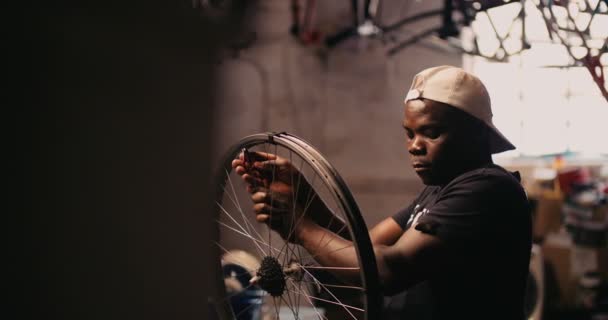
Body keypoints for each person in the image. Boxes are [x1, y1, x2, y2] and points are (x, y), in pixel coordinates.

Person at [232, 65, 532, 320]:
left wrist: (298, 225)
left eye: (432, 132)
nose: (415, 145)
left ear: (477, 134)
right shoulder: (438, 190)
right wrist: (302, 194)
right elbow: (360, 247)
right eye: (410, 133)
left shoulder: (489, 190)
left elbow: (387, 269)